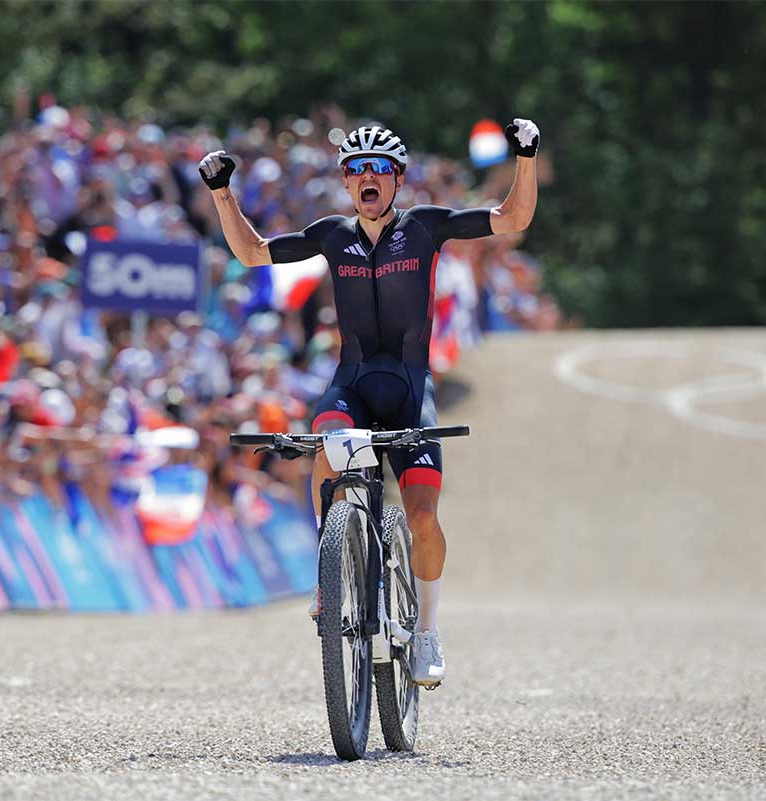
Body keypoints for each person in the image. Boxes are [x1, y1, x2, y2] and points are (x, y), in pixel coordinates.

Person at [199, 119, 539, 688]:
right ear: (347, 184)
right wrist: (221, 193)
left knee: (424, 518)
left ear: (398, 179)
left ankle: (427, 630)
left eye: (378, 169)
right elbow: (254, 254)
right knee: (326, 441)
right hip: (353, 383)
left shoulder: (426, 227)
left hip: (409, 387)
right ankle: (330, 577)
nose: (367, 179)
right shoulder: (334, 234)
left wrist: (526, 156)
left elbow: (512, 220)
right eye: (356, 171)